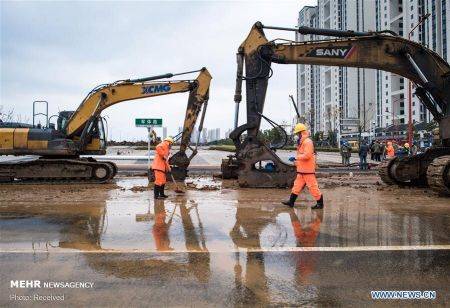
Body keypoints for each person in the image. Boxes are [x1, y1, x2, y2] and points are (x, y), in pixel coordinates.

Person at [282, 123, 324, 209]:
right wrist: (295, 161)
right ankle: (291, 202)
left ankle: (320, 203)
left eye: (297, 134)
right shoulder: (303, 142)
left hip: (307, 171)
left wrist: (297, 158)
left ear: (302, 133)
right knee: (296, 186)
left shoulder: (307, 142)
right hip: (302, 170)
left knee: (313, 187)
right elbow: (303, 157)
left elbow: (307, 155)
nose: (297, 135)